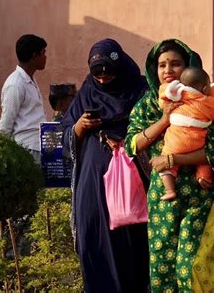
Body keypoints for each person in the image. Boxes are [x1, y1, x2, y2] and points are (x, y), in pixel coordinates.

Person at [124, 39, 214, 292]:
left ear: (188, 67)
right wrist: (165, 120)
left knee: (194, 266)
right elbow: (132, 144)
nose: (168, 71)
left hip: (200, 194)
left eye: (175, 64)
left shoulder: (207, 102)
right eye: (162, 65)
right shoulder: (147, 105)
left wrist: (173, 159)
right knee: (162, 266)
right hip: (163, 196)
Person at [61, 38, 149, 292]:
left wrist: (125, 140)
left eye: (107, 73)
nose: (102, 79)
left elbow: (152, 127)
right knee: (94, 239)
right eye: (96, 73)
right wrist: (80, 127)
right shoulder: (87, 91)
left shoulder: (139, 91)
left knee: (130, 247)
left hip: (131, 184)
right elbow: (65, 136)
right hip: (93, 187)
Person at [158, 67, 214, 200]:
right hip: (197, 141)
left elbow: (162, 99)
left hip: (176, 141)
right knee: (204, 160)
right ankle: (204, 177)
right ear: (205, 88)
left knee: (165, 163)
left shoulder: (178, 95)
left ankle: (170, 190)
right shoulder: (207, 101)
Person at [0, 34, 47, 163]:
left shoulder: (30, 80)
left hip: (38, 146)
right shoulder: (15, 84)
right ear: (34, 56)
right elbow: (6, 123)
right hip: (26, 149)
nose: (45, 57)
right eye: (43, 53)